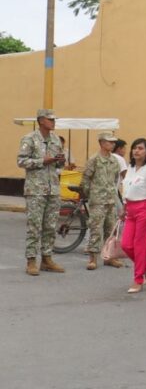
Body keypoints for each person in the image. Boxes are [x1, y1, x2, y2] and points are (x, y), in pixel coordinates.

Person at [18, 108, 67, 276]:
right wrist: (41, 161)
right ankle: (31, 260)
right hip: (36, 190)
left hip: (53, 188)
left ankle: (47, 259)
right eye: (50, 119)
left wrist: (61, 161)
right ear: (41, 121)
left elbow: (59, 165)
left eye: (54, 119)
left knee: (50, 226)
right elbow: (21, 161)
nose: (53, 122)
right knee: (34, 226)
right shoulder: (29, 139)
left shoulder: (56, 140)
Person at [120, 138, 146, 294]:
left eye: (140, 148)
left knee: (140, 246)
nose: (136, 151)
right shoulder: (130, 168)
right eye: (134, 148)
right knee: (126, 245)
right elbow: (127, 188)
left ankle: (138, 279)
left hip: (144, 208)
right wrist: (124, 207)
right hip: (130, 208)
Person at [79, 132, 124, 270]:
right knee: (95, 229)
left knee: (110, 230)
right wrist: (89, 194)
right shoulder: (94, 160)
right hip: (98, 200)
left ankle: (109, 257)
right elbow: (86, 179)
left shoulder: (114, 161)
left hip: (111, 200)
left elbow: (116, 179)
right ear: (102, 143)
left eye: (113, 142)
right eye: (110, 142)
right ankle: (93, 258)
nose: (113, 144)